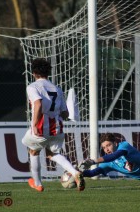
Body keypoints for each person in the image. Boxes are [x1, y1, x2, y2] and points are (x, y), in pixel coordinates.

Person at [22, 58, 85, 192]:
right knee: (52, 153)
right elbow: (65, 113)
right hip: (57, 127)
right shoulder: (57, 88)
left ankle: (38, 184)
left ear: (33, 73)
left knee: (33, 151)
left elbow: (38, 104)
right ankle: (74, 172)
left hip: (40, 126)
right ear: (48, 73)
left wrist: (34, 123)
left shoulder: (32, 87)